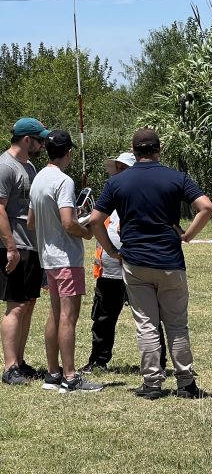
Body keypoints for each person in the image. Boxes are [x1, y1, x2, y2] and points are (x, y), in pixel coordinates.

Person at [89, 129, 212, 400]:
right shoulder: (177, 177)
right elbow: (206, 207)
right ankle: (186, 383)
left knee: (146, 324)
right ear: (159, 149)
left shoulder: (117, 182)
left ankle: (152, 383)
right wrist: (187, 236)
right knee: (176, 324)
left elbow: (95, 220)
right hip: (170, 261)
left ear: (133, 151)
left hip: (135, 262)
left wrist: (111, 250)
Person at [28, 130, 103, 393]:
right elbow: (69, 223)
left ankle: (52, 373)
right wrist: (87, 231)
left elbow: (31, 222)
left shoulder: (38, 178)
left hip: (48, 258)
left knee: (55, 313)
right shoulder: (64, 181)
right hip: (66, 258)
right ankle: (70, 377)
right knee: (68, 318)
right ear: (69, 152)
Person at [81, 152, 168, 373]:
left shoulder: (144, 196)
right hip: (110, 269)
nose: (119, 172)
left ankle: (158, 361)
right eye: (117, 168)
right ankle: (98, 360)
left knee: (149, 317)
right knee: (103, 317)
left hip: (138, 266)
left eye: (123, 168)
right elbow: (93, 224)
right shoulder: (108, 196)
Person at [0, 117, 49, 385]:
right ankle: (9, 368)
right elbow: (0, 209)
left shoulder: (29, 166)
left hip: (32, 246)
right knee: (16, 306)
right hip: (14, 247)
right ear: (27, 139)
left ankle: (19, 362)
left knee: (28, 303)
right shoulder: (5, 166)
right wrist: (10, 246)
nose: (42, 145)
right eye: (39, 140)